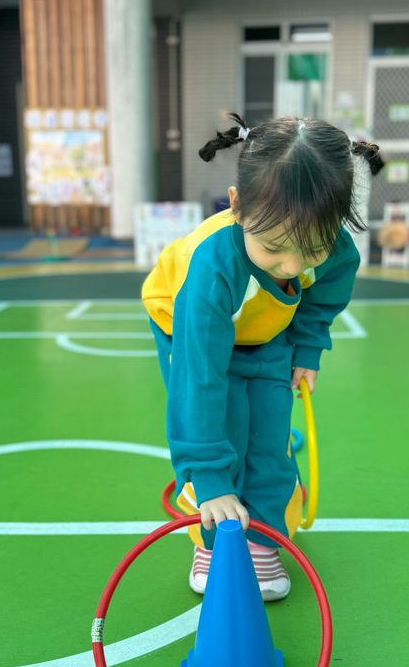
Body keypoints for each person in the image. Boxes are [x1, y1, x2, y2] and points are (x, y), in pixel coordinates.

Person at [142, 113, 383, 601]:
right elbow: (199, 381)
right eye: (274, 247)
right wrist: (210, 479)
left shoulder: (333, 249)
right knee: (226, 418)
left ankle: (263, 535)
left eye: (311, 250)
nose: (292, 265)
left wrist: (308, 346)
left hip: (268, 324)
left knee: (271, 432)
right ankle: (213, 540)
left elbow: (326, 292)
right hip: (192, 326)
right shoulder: (211, 269)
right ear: (236, 206)